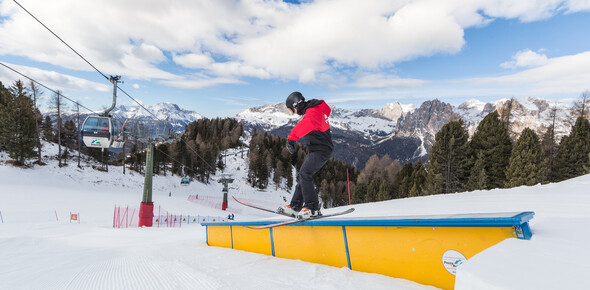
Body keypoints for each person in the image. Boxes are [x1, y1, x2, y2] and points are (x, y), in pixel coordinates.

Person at [277, 91, 334, 219]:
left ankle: (312, 208)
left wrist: (291, 138)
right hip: (317, 149)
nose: (294, 112)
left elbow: (305, 124)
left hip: (321, 150)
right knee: (304, 175)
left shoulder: (313, 112)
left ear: (296, 105)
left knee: (305, 173)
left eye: (292, 110)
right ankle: (295, 207)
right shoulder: (313, 109)